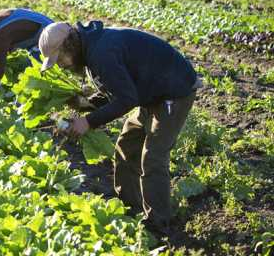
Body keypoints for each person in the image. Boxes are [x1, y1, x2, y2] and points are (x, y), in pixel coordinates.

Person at [38, 21, 201, 237]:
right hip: (150, 93)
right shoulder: (90, 50)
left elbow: (126, 99)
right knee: (126, 146)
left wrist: (88, 122)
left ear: (69, 46)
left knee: (153, 156)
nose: (60, 65)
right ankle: (128, 207)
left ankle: (158, 223)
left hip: (173, 92)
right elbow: (117, 88)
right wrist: (87, 105)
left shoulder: (102, 53)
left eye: (59, 59)